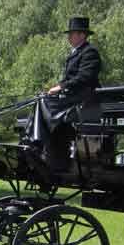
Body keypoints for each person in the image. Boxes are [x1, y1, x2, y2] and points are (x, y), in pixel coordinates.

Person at [40, 17, 103, 171]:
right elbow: (68, 78)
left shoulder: (90, 52)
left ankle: (45, 147)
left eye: (72, 33)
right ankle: (45, 146)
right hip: (72, 99)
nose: (69, 37)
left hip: (85, 100)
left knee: (45, 104)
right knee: (42, 100)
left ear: (82, 35)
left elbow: (84, 77)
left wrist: (61, 87)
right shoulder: (75, 53)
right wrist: (54, 89)